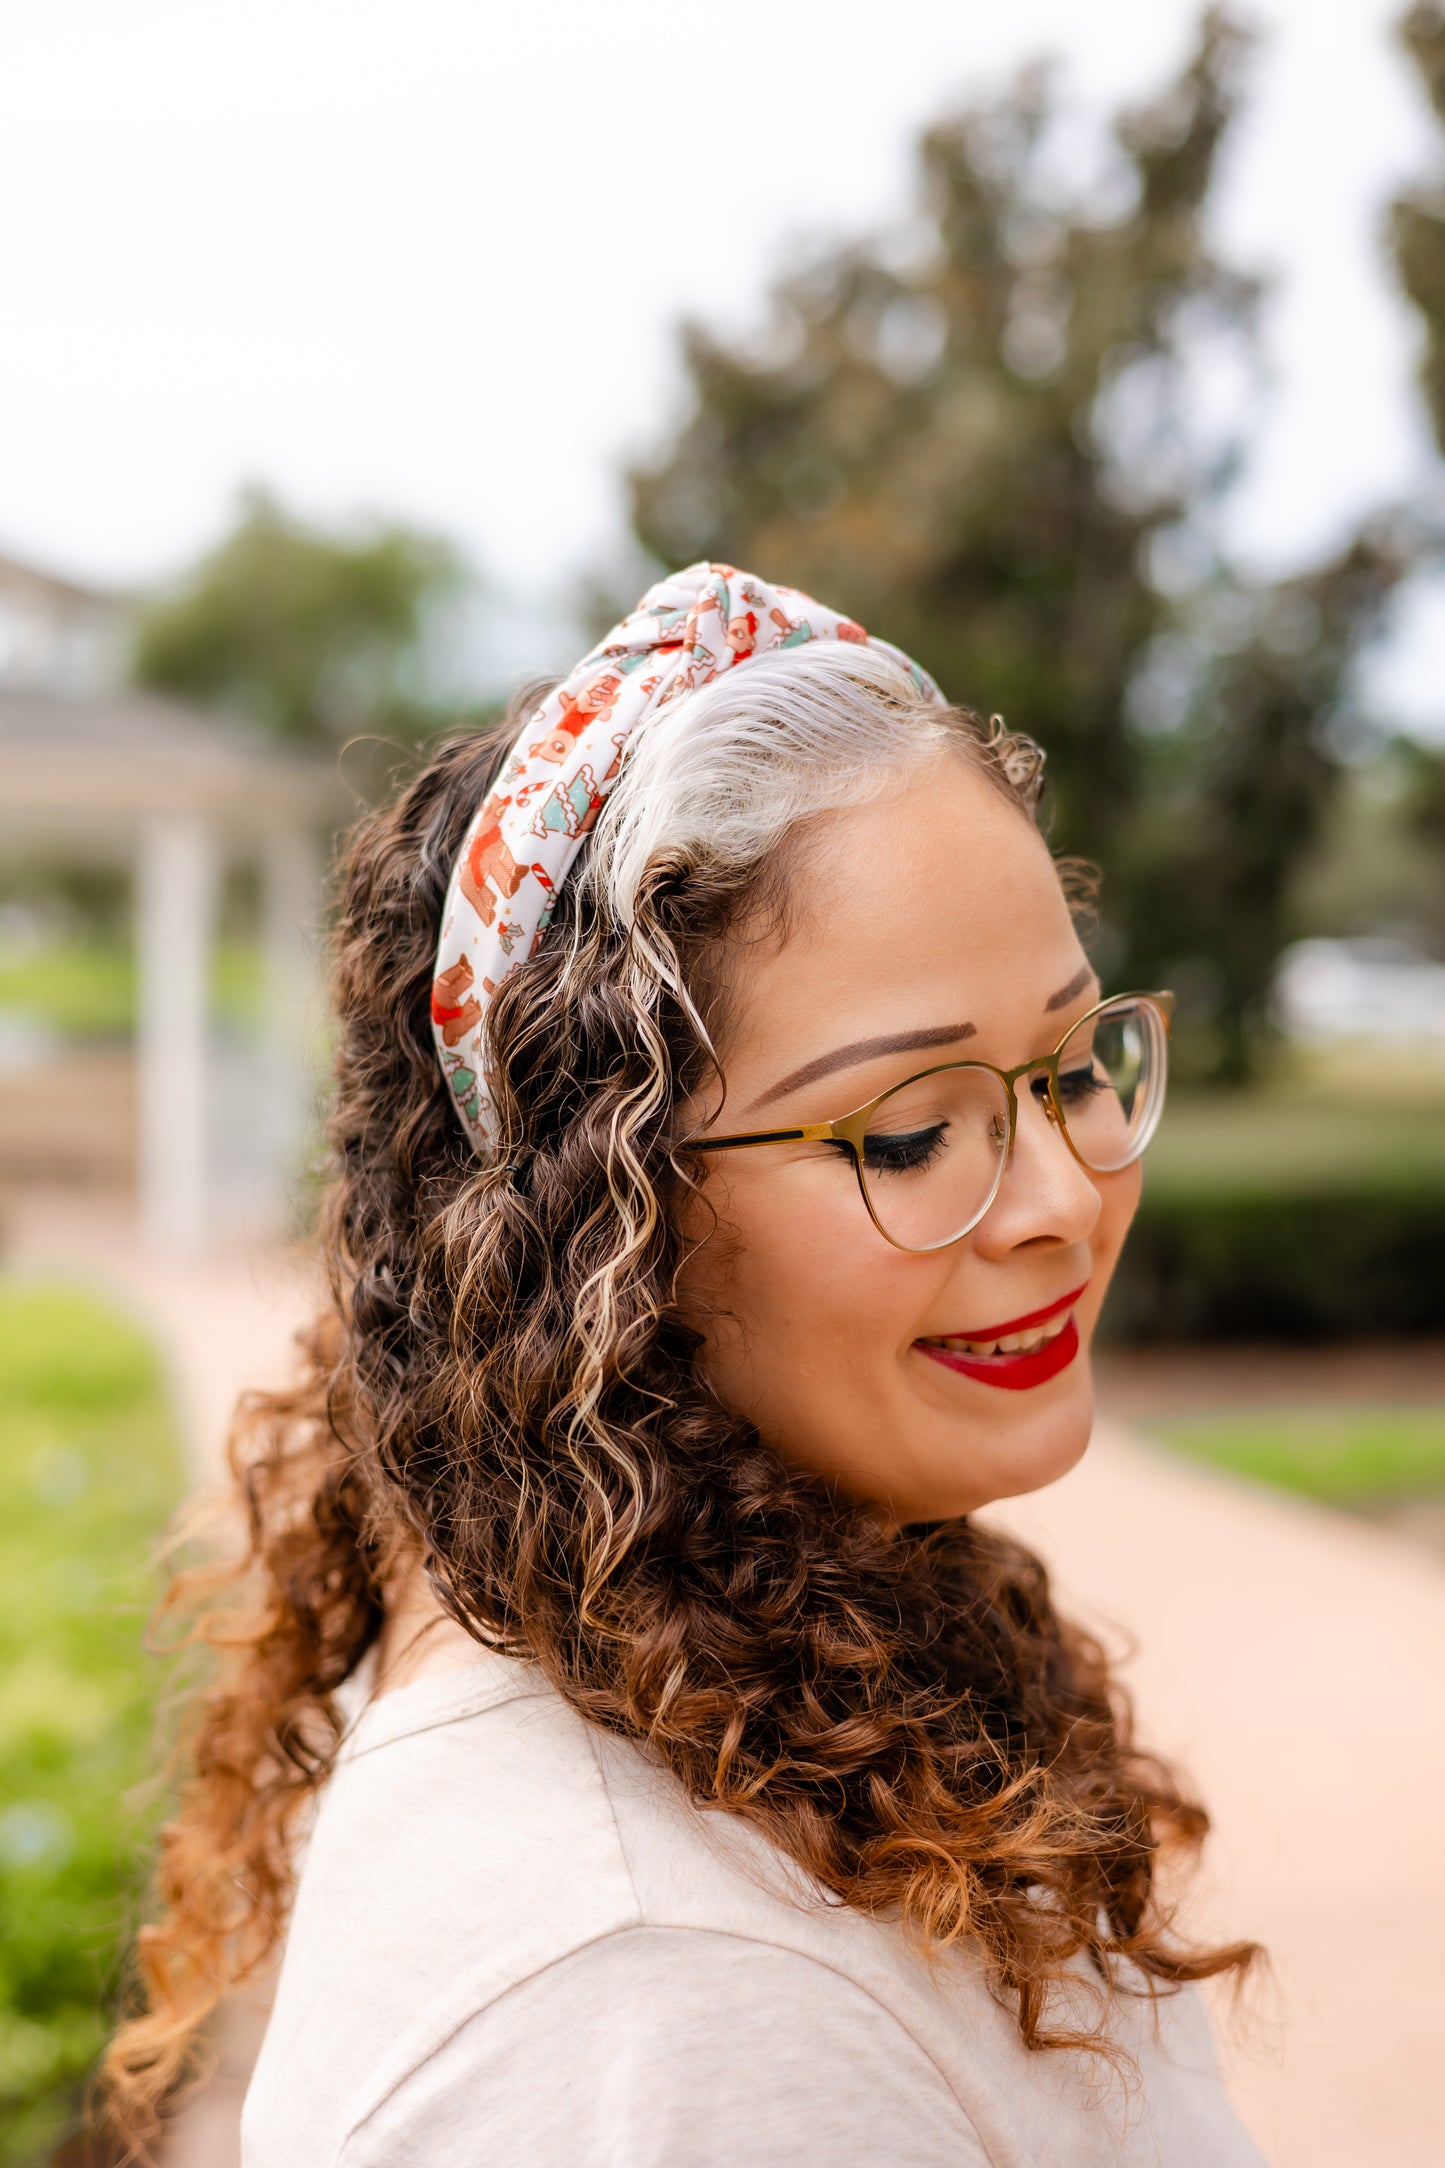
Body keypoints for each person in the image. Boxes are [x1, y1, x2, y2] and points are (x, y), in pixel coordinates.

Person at [106, 563, 1263, 2165]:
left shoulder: (785, 1648)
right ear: (604, 1222)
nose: (1064, 1199)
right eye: (912, 1131)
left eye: (1071, 1063)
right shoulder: (644, 1997)